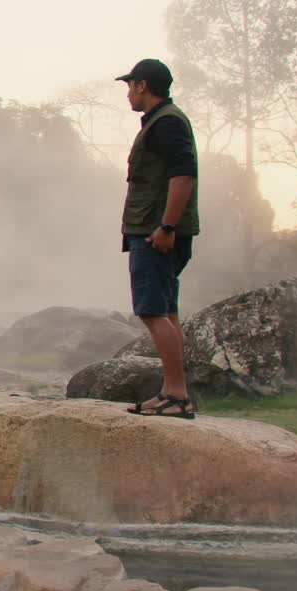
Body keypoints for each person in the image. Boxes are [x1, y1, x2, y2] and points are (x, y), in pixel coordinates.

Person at [115, 59, 199, 419]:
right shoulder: (163, 121)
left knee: (151, 311)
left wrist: (167, 227)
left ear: (143, 85)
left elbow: (183, 174)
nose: (128, 93)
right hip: (157, 230)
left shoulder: (165, 123)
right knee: (167, 310)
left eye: (130, 85)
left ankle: (177, 395)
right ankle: (174, 392)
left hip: (155, 233)